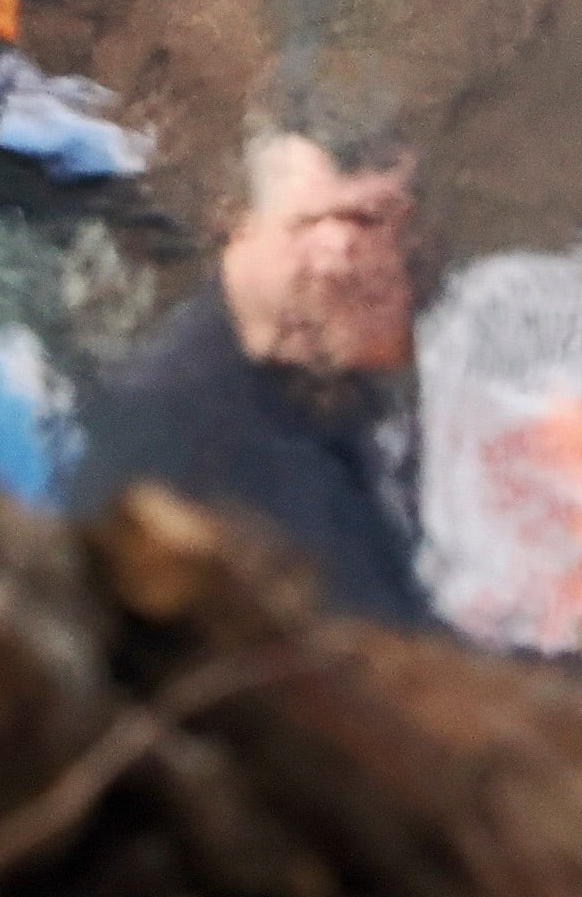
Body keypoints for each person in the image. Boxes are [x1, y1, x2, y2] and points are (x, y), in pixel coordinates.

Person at [68, 112, 434, 627]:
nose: (339, 261)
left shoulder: (354, 390)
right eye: (308, 225)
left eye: (369, 222)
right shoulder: (157, 416)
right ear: (237, 224)